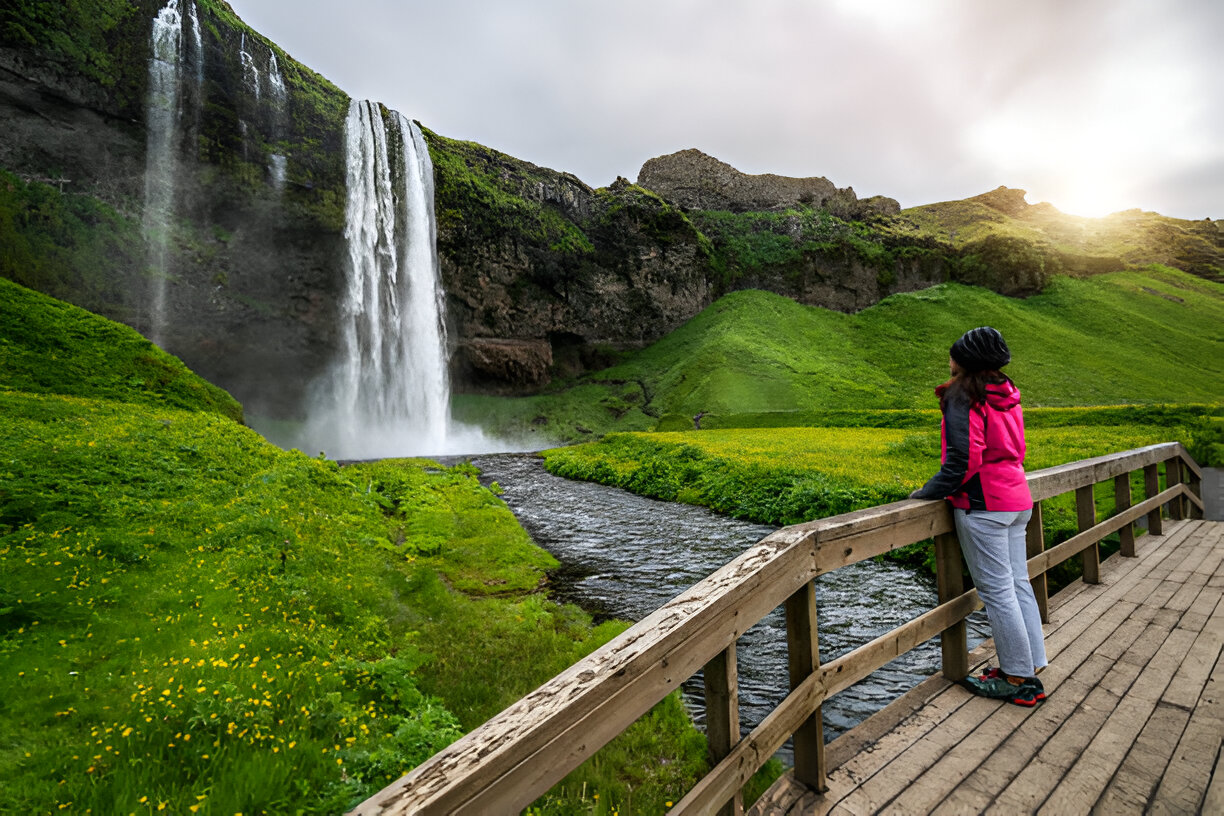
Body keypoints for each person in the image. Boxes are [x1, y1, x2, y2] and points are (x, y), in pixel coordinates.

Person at [909, 326, 1048, 707]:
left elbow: (963, 459)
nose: (949, 361)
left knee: (997, 591)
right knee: (1018, 583)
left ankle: (1019, 679)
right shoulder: (1006, 392)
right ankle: (1032, 663)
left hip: (984, 503)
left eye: (953, 355)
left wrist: (928, 492)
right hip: (1017, 498)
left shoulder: (962, 395)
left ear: (964, 361)